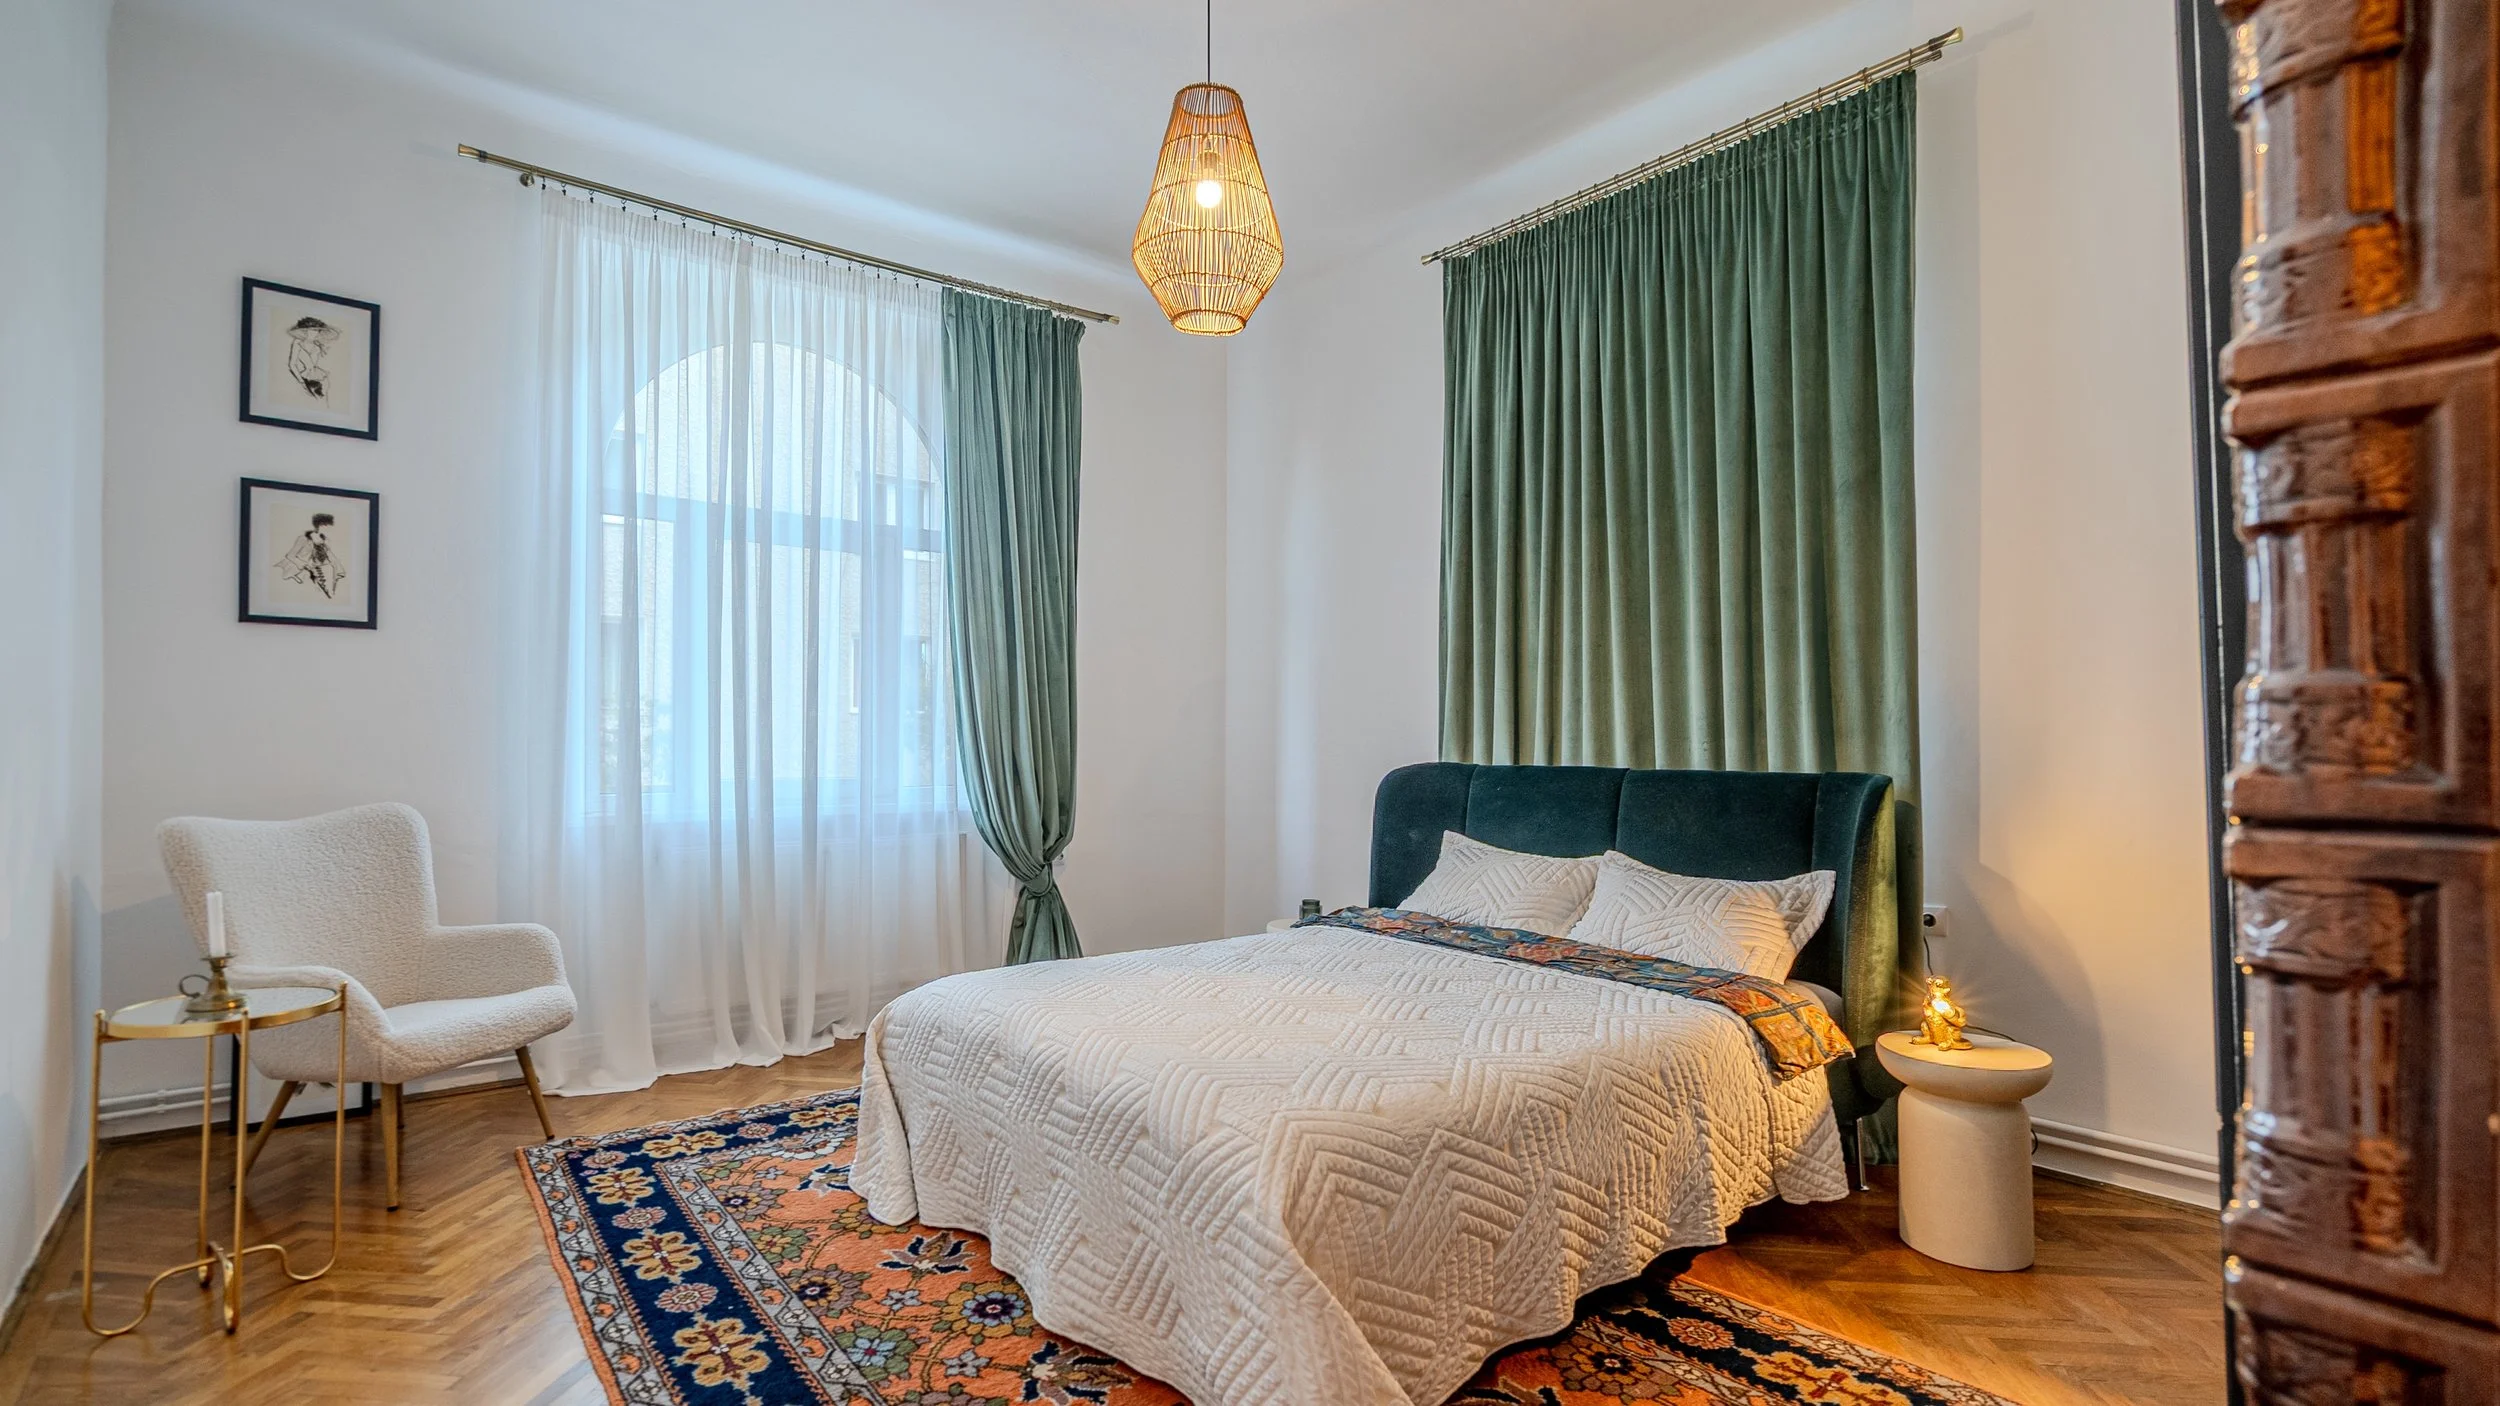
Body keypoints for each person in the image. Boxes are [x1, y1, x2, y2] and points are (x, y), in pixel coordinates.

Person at [276, 511, 346, 600]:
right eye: (327, 526)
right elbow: (290, 555)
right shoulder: (303, 539)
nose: (330, 530)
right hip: (300, 571)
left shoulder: (325, 541)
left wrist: (339, 570)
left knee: (327, 594)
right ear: (320, 526)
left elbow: (331, 557)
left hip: (319, 571)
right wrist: (303, 564)